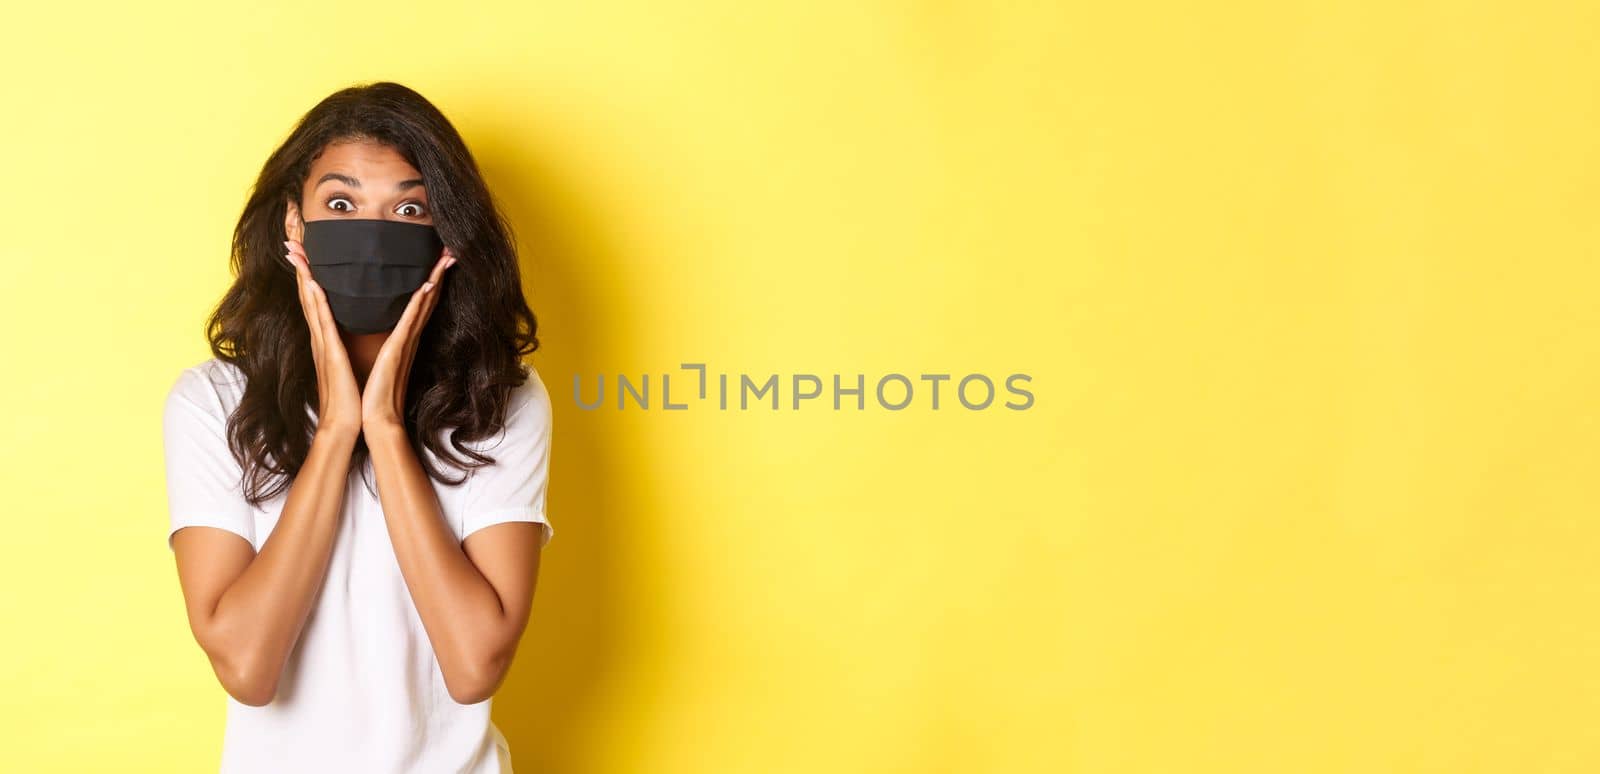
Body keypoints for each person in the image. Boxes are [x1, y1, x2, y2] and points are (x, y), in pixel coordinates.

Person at [161, 81, 553, 773]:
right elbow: (248, 668)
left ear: (446, 238)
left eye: (408, 208)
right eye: (339, 204)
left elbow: (473, 665)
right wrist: (338, 429)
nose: (371, 234)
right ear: (293, 224)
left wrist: (386, 428)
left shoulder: (502, 399)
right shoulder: (214, 401)